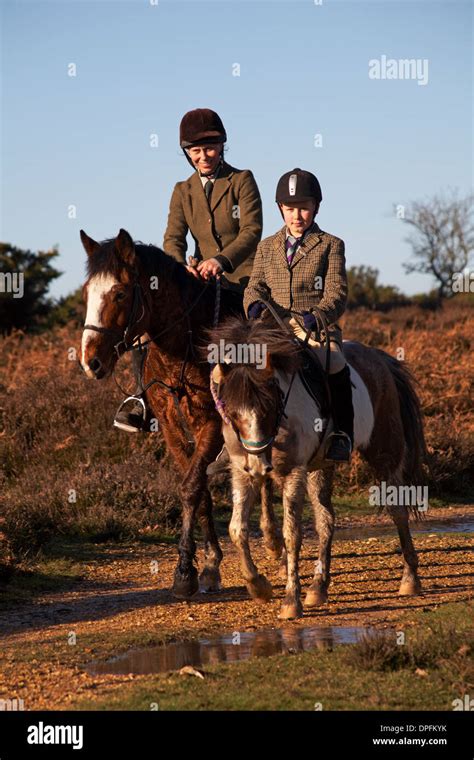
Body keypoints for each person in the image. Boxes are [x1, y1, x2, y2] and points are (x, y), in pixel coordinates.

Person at [114, 108, 263, 433]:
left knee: (243, 344)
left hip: (240, 280)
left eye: (209, 148)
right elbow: (173, 238)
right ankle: (141, 400)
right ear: (187, 153)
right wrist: (179, 266)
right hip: (198, 281)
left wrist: (220, 260)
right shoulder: (183, 190)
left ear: (222, 146)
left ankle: (247, 418)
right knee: (148, 322)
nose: (203, 156)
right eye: (195, 151)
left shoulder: (242, 180)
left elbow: (252, 231)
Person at [243, 168, 354, 463]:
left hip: (313, 329)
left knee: (336, 365)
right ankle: (233, 442)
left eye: (303, 208)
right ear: (281, 208)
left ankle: (343, 434)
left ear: (315, 207)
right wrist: (253, 302)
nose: (297, 216)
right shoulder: (266, 247)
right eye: (290, 209)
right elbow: (254, 285)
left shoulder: (331, 245)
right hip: (273, 329)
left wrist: (317, 315)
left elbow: (337, 294)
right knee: (238, 367)